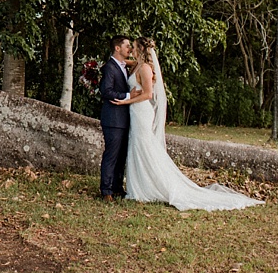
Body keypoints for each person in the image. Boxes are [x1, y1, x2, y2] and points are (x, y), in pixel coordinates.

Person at [113, 37, 263, 211]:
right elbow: (123, 62)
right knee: (137, 145)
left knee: (144, 145)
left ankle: (153, 186)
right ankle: (139, 186)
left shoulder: (145, 68)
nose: (131, 49)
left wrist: (126, 101)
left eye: (133, 47)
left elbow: (148, 94)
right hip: (135, 112)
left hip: (141, 111)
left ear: (140, 49)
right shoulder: (137, 64)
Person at [98, 35, 135, 201]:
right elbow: (106, 91)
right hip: (113, 119)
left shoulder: (123, 66)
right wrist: (128, 95)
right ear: (117, 48)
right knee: (111, 155)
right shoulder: (109, 67)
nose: (130, 49)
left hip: (124, 118)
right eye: (127, 46)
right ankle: (106, 190)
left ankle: (117, 187)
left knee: (121, 156)